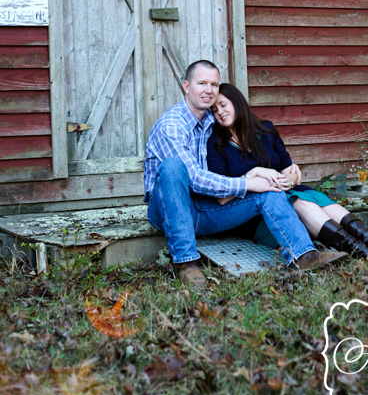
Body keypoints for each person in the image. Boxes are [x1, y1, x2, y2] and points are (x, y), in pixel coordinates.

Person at [144, 60, 347, 286]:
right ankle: (186, 264)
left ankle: (303, 255)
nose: (209, 90)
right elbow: (196, 178)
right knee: (173, 167)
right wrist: (248, 181)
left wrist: (277, 170)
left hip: (206, 209)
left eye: (214, 84)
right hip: (169, 211)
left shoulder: (213, 120)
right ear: (186, 86)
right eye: (202, 83)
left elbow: (245, 126)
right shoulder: (172, 125)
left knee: (268, 189)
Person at [207, 83, 368, 260]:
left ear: (237, 103)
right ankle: (364, 255)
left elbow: (291, 171)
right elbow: (222, 196)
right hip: (258, 210)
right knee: (302, 203)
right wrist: (253, 174)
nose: (220, 112)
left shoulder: (265, 130)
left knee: (316, 201)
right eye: (214, 110)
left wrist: (288, 181)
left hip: (286, 191)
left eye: (223, 105)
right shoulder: (217, 144)